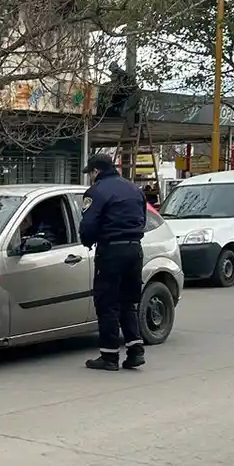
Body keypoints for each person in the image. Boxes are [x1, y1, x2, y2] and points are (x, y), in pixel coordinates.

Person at [79, 152, 148, 372]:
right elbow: (143, 219)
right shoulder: (134, 189)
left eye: (90, 172)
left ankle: (109, 356)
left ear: (96, 171)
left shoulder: (97, 192)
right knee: (128, 301)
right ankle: (136, 351)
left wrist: (87, 242)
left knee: (107, 302)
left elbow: (89, 224)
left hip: (111, 251)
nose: (90, 177)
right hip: (135, 249)